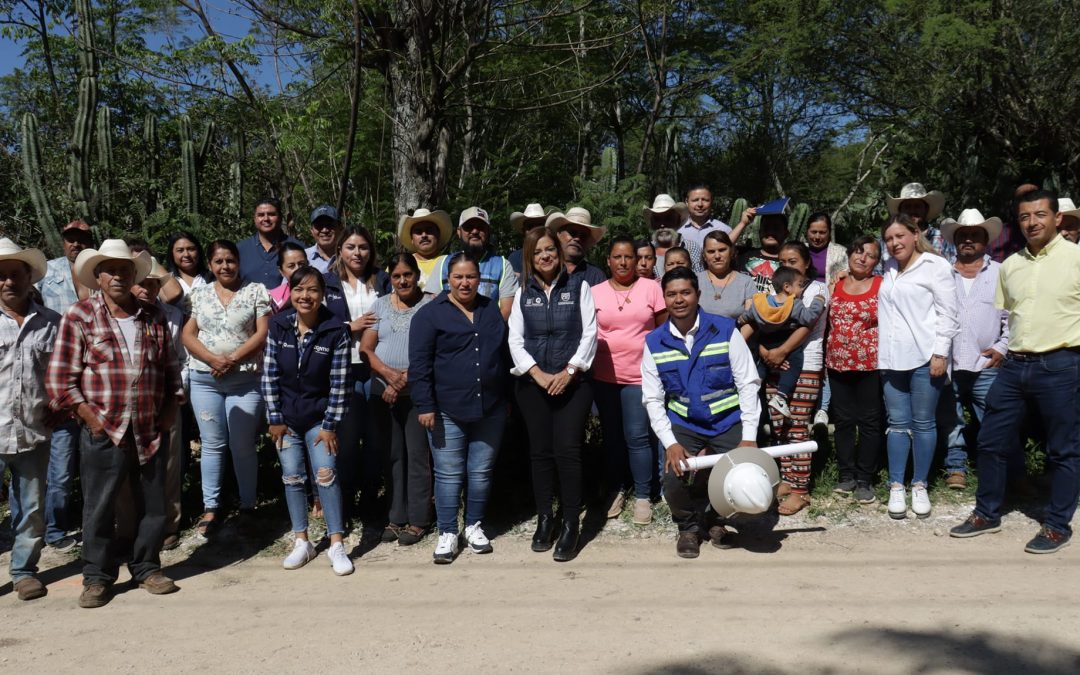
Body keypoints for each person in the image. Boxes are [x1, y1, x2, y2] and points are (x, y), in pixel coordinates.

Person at [46, 239, 183, 609]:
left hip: (149, 428)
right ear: (99, 276)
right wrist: (90, 420)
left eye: (125, 269)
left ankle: (147, 567)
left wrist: (171, 407)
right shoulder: (79, 316)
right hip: (104, 428)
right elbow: (60, 380)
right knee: (100, 506)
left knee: (153, 505)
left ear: (134, 275)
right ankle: (97, 577)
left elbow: (171, 368)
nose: (119, 275)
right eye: (111, 269)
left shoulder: (152, 316)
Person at [951, 190, 1080, 553]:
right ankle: (987, 513)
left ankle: (1056, 524)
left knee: (1063, 450)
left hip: (1062, 363)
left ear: (1056, 218)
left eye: (1040, 214)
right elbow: (1008, 317)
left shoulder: (1076, 258)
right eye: (1025, 216)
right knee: (991, 441)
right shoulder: (1010, 266)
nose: (1032, 222)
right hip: (1015, 366)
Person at [641, 267, 762, 558]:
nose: (679, 299)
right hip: (684, 423)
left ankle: (717, 520)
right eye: (671, 294)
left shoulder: (724, 330)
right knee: (672, 475)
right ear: (665, 299)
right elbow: (653, 399)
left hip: (727, 421)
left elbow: (747, 383)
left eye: (685, 292)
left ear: (697, 294)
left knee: (739, 475)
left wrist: (748, 438)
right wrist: (670, 443)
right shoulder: (654, 342)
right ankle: (688, 528)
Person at [409, 254, 509, 564]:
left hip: (490, 407)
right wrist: (424, 405)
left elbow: (502, 356)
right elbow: (420, 365)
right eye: (458, 277)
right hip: (446, 409)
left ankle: (474, 526)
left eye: (471, 277)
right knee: (449, 474)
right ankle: (448, 532)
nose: (465, 283)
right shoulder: (429, 315)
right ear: (447, 280)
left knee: (480, 473)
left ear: (480, 279)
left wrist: (505, 401)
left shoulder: (489, 309)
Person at [509, 227, 597, 561]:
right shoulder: (522, 293)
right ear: (529, 259)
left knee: (568, 450)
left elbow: (590, 333)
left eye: (550, 250)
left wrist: (569, 371)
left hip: (573, 383)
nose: (545, 256)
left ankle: (572, 520)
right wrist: (538, 374)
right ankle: (546, 517)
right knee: (540, 453)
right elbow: (515, 339)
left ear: (558, 254)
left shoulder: (580, 287)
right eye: (538, 252)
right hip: (534, 384)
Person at [262, 267, 354, 575]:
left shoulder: (335, 329)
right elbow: (270, 376)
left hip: (320, 419)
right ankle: (302, 540)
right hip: (286, 419)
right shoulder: (278, 326)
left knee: (326, 474)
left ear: (322, 294)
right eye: (299, 289)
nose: (306, 296)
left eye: (313, 290)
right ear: (291, 292)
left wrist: (330, 424)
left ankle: (336, 542)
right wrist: (274, 418)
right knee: (291, 476)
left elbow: (340, 383)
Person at [182, 240, 271, 538]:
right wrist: (211, 359)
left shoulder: (256, 290)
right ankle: (212, 507)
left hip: (244, 380)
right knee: (212, 444)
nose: (225, 266)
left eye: (230, 260)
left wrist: (231, 359)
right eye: (218, 261)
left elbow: (262, 333)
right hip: (204, 379)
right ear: (210, 265)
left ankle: (247, 505)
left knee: (242, 445)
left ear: (238, 261)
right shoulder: (199, 292)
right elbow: (188, 333)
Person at [877, 214, 958, 520]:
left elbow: (949, 313)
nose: (894, 243)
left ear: (915, 234)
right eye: (888, 239)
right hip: (891, 358)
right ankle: (897, 485)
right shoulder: (887, 267)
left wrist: (941, 353)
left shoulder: (934, 265)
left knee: (924, 424)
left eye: (900, 236)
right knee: (897, 424)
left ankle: (920, 484)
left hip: (925, 356)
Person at [359, 253, 434, 546]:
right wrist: (390, 376)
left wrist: (403, 379)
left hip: (418, 392)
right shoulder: (380, 305)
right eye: (396, 276)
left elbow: (433, 351)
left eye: (407, 274)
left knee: (417, 455)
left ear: (417, 275)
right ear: (390, 278)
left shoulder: (431, 304)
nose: (402, 280)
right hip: (382, 392)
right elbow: (366, 348)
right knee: (392, 455)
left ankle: (418, 520)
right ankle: (395, 516)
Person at [0, 238, 61, 601]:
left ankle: (24, 571)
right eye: (1, 276)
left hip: (34, 429)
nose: (8, 282)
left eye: (15, 275)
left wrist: (59, 405)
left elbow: (60, 374)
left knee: (33, 506)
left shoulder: (51, 323)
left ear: (28, 278)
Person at [592, 236, 667, 523]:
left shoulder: (652, 289)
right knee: (612, 438)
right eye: (617, 257)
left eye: (628, 257)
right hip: (604, 376)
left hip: (639, 377)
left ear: (637, 261)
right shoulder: (595, 291)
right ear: (608, 260)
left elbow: (663, 332)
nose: (623, 262)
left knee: (637, 437)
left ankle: (643, 496)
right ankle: (616, 489)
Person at [323, 226, 391, 535]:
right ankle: (346, 500)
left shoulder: (383, 280)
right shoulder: (327, 283)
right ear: (340, 250)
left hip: (377, 366)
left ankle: (371, 498)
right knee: (347, 440)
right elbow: (318, 327)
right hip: (343, 369)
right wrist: (351, 326)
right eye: (350, 247)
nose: (357, 253)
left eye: (363, 247)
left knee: (377, 438)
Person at [937, 210, 1011, 490]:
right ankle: (956, 467)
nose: (968, 240)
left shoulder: (1000, 272)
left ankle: (1001, 471)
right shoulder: (943, 273)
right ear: (955, 241)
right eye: (963, 236)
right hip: (950, 362)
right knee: (951, 420)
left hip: (986, 363)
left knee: (994, 420)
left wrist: (1003, 347)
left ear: (986, 240)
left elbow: (1012, 315)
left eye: (974, 235)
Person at [35, 219, 94, 552]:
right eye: (71, 239)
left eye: (82, 239)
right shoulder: (47, 273)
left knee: (91, 464)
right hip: (57, 384)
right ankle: (54, 530)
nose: (76, 244)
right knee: (59, 467)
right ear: (62, 242)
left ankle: (92, 524)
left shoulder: (99, 272)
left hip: (94, 384)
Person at [760, 241, 830, 515]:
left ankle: (801, 489)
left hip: (805, 363)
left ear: (806, 263)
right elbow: (761, 321)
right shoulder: (774, 289)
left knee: (798, 426)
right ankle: (787, 480)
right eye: (783, 262)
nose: (787, 266)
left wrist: (782, 350)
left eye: (793, 261)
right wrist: (767, 351)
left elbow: (807, 324)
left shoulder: (816, 289)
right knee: (779, 425)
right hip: (775, 363)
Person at [130, 253, 188, 551]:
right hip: (128, 402)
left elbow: (181, 360)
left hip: (166, 399)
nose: (145, 289)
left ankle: (169, 525)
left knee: (169, 465)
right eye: (140, 283)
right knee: (129, 469)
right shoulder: (119, 315)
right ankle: (130, 527)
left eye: (152, 284)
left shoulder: (172, 317)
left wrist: (178, 395)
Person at [825, 236, 883, 504]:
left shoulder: (882, 285)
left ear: (876, 261)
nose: (862, 258)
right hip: (837, 363)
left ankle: (864, 478)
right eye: (858, 252)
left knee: (870, 422)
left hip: (870, 363)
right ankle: (846, 475)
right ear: (849, 255)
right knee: (845, 422)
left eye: (870, 255)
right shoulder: (835, 283)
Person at [739, 266, 826, 418]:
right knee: (795, 363)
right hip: (785, 343)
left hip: (766, 343)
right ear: (787, 287)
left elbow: (748, 316)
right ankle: (781, 396)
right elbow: (809, 317)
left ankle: (754, 385)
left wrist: (741, 319)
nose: (801, 289)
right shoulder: (794, 304)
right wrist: (818, 301)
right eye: (799, 285)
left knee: (762, 365)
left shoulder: (762, 302)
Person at [428, 207, 518, 318]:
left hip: (489, 332)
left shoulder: (503, 266)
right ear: (459, 232)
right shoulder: (443, 263)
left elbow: (507, 310)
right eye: (468, 227)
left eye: (480, 227)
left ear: (488, 231)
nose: (475, 231)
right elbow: (432, 306)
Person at [236, 197, 304, 288]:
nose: (266, 218)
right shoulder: (240, 250)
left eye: (271, 214)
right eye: (261, 215)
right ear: (254, 219)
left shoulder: (298, 249)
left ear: (280, 217)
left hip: (288, 302)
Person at [884, 182, 955, 262]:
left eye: (917, 206)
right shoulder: (888, 241)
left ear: (926, 210)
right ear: (900, 211)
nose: (912, 211)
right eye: (907, 207)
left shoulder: (944, 239)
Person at [733, 199, 791, 293]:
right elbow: (720, 247)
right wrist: (742, 223)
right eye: (766, 227)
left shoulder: (790, 262)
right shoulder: (743, 254)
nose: (771, 232)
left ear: (786, 233)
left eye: (776, 228)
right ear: (759, 232)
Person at [696, 231, 755, 319]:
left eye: (722, 250)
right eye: (711, 251)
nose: (717, 256)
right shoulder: (694, 280)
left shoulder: (746, 282)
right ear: (704, 255)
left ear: (731, 252)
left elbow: (750, 319)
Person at [545, 207, 608, 286]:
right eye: (572, 233)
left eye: (583, 236)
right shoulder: (545, 269)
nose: (577, 238)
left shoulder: (596, 276)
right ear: (559, 234)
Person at [644, 194, 704, 274]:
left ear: (678, 221)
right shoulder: (646, 251)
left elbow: (698, 278)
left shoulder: (690, 247)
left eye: (668, 219)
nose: (662, 224)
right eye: (657, 219)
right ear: (652, 223)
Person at [397, 208, 452, 292]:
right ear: (412, 239)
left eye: (429, 230)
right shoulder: (400, 263)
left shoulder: (450, 262)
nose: (424, 235)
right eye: (418, 232)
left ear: (438, 235)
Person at [159, 230, 212, 305]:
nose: (186, 254)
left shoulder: (212, 278)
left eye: (191, 249)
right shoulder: (165, 282)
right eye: (180, 250)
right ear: (172, 254)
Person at [677, 185, 731, 250]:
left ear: (711, 202)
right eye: (695, 200)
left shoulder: (724, 229)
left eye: (705, 200)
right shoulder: (677, 230)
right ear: (686, 202)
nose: (700, 204)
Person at [804, 212, 848, 286]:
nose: (817, 237)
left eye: (822, 232)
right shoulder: (798, 250)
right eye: (813, 232)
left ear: (829, 232)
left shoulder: (841, 253)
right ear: (807, 232)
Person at [507, 203, 549, 275]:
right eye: (530, 227)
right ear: (523, 231)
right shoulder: (515, 259)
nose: (535, 231)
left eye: (539, 226)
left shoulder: (555, 255)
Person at [268, 242, 309, 311]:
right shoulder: (271, 299)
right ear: (281, 271)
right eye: (291, 266)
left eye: (301, 264)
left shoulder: (321, 292)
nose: (297, 269)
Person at [306, 204, 342, 273]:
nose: (325, 230)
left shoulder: (350, 256)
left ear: (340, 228)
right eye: (319, 226)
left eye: (330, 225)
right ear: (311, 231)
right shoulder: (302, 257)